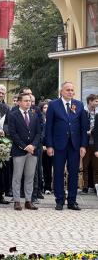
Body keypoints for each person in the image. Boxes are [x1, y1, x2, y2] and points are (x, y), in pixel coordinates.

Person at [45, 82, 88, 210]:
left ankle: (72, 201)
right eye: (67, 90)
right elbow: (49, 127)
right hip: (58, 145)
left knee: (73, 173)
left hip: (74, 145)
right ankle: (59, 200)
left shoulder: (79, 105)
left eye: (72, 90)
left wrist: (83, 146)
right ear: (61, 91)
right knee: (58, 172)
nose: (70, 92)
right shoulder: (53, 105)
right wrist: (49, 145)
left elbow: (83, 128)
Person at [8, 93, 41, 211]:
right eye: (26, 101)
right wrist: (24, 146)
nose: (29, 103)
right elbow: (13, 133)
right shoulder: (13, 115)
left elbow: (38, 132)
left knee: (30, 176)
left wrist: (33, 145)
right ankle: (17, 200)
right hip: (19, 150)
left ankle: (28, 200)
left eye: (30, 101)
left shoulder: (35, 114)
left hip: (32, 151)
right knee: (17, 176)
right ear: (19, 102)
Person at [82, 94, 98, 193]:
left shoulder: (97, 113)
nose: (97, 103)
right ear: (90, 101)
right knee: (85, 166)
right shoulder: (83, 112)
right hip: (86, 143)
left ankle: (95, 186)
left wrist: (93, 132)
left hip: (95, 143)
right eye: (96, 101)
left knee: (96, 166)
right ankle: (85, 186)